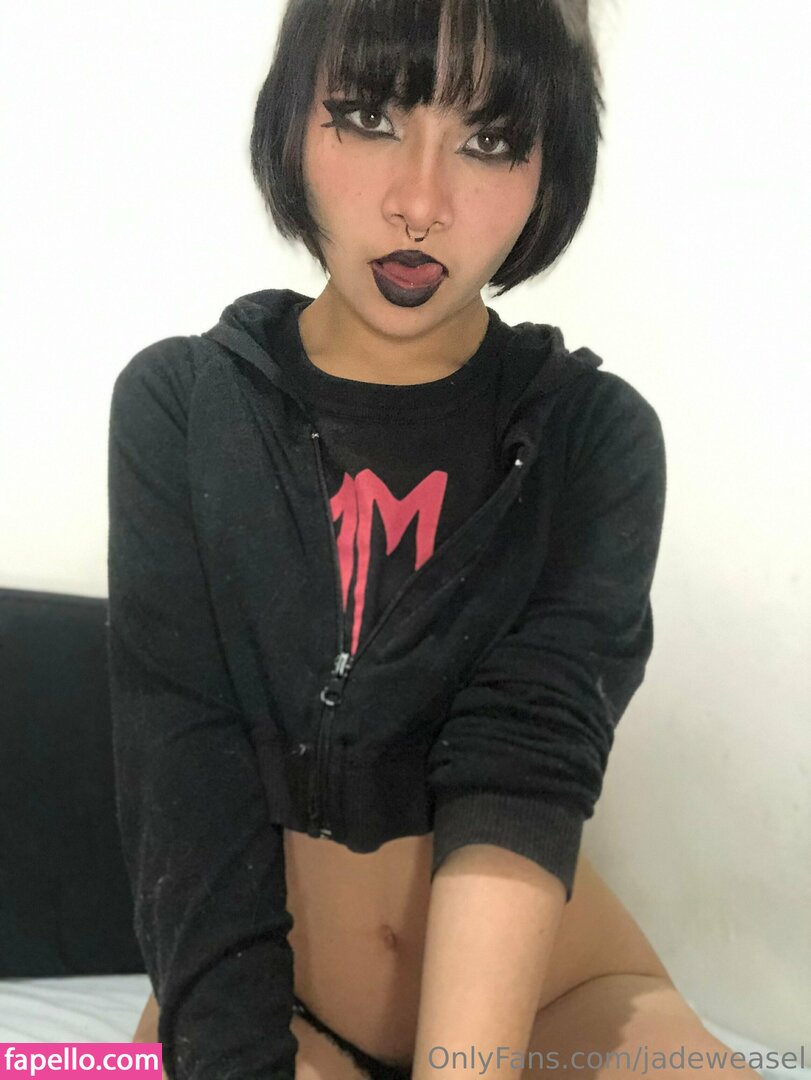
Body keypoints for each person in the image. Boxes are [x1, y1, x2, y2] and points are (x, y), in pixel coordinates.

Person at [113, 2, 758, 1079]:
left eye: (490, 140)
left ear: (550, 166)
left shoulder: (591, 438)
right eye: (368, 117)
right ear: (291, 120)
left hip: (554, 1002)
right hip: (277, 999)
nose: (420, 203)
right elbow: (183, 772)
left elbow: (524, 758)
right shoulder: (182, 409)